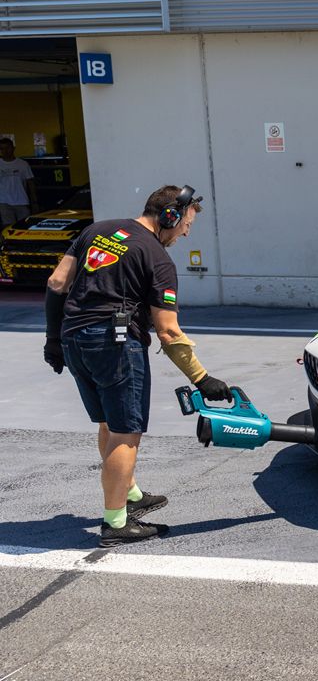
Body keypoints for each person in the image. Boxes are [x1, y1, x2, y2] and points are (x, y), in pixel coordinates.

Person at [43, 185, 233, 548]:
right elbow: (168, 330)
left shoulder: (96, 230)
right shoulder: (157, 258)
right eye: (186, 225)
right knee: (126, 434)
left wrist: (53, 340)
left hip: (74, 339)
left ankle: (129, 493)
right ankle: (116, 521)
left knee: (108, 423)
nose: (186, 233)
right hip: (114, 345)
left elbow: (56, 282)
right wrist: (201, 378)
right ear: (170, 216)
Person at [0, 136, 38, 227]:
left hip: (22, 201)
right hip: (4, 202)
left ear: (13, 148)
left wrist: (34, 202)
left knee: (24, 226)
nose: (5, 151)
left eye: (7, 148)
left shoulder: (23, 164)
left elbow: (30, 183)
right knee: (8, 228)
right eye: (2, 149)